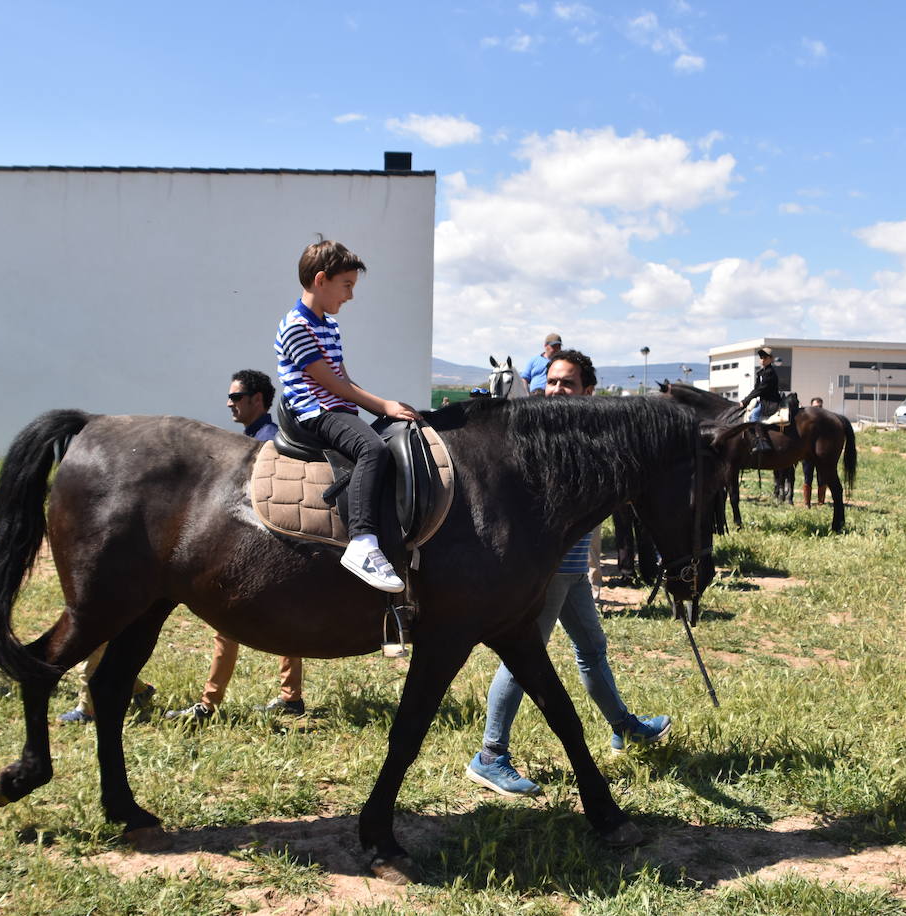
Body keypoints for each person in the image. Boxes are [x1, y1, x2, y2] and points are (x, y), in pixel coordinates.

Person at [465, 348, 672, 798]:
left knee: (592, 648)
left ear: (588, 391)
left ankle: (623, 726)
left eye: (568, 383)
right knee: (524, 656)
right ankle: (489, 755)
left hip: (574, 566)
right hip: (549, 567)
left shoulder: (589, 435)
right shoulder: (535, 433)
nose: (557, 390)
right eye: (553, 382)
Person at [274, 236, 421, 593]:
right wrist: (383, 405)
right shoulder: (297, 326)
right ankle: (362, 542)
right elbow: (329, 383)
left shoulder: (329, 325)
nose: (350, 296)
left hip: (333, 406)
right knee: (373, 450)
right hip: (312, 410)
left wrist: (383, 406)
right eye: (346, 286)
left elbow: (342, 379)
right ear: (321, 279)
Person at [165, 369, 307, 722]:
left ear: (256, 400)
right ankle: (290, 698)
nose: (229, 403)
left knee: (226, 626)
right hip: (259, 545)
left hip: (257, 547)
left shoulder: (267, 441)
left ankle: (208, 705)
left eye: (235, 397)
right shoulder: (254, 437)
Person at [740, 348, 780, 452]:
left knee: (754, 416)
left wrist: (745, 401)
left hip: (770, 402)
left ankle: (763, 442)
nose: (762, 359)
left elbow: (760, 390)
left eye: (765, 357)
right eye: (761, 357)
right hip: (762, 401)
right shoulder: (761, 372)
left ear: (771, 359)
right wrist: (746, 400)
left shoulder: (770, 372)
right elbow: (756, 389)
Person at [800, 397, 827, 507]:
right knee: (808, 477)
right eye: (815, 407)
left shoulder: (826, 421)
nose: (818, 409)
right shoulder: (805, 421)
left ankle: (821, 502)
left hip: (821, 454)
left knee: (822, 478)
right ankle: (807, 503)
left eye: (820, 407)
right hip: (808, 454)